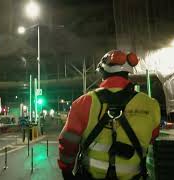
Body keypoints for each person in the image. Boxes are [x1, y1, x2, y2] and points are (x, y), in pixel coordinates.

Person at [58, 50, 160, 180]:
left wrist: (66, 171)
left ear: (103, 72)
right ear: (128, 73)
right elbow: (152, 137)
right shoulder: (150, 105)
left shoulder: (83, 103)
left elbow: (68, 142)